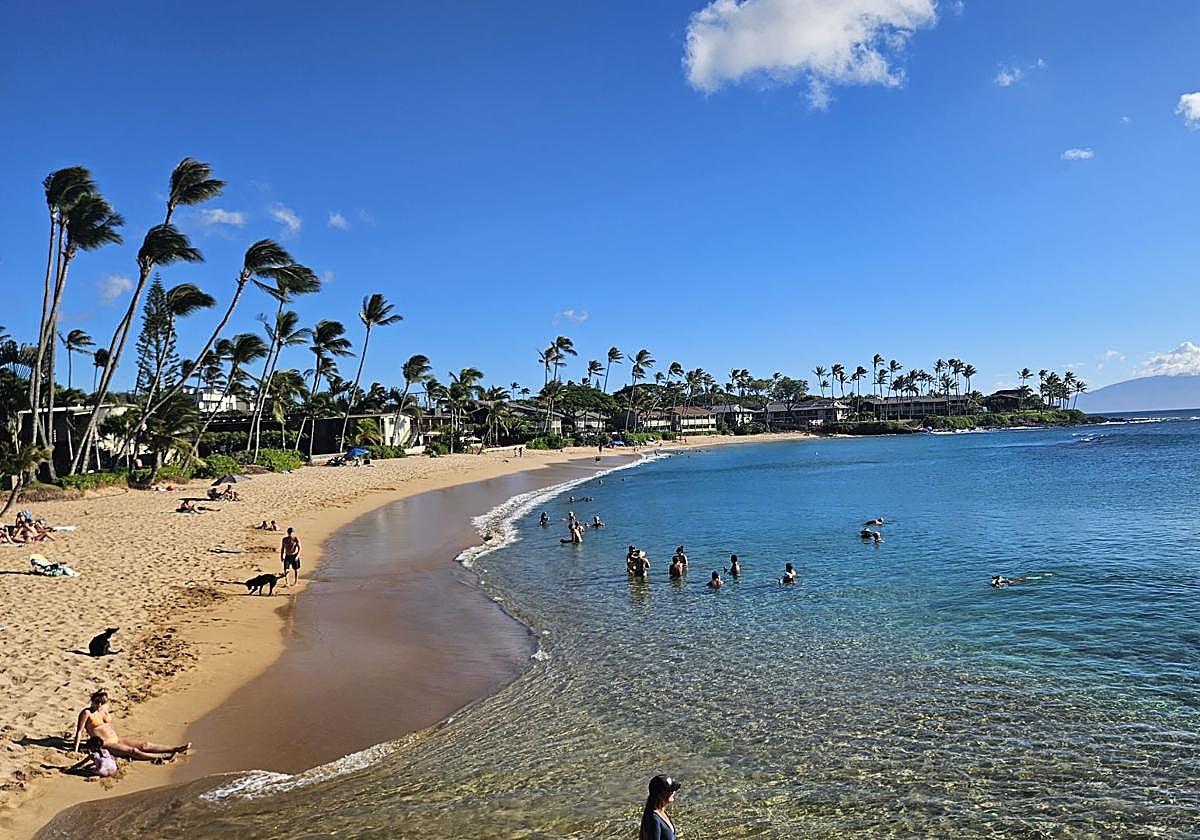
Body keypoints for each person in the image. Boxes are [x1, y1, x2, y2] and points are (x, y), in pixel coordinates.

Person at [73, 690, 189, 763]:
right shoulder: (86, 713)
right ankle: (162, 757)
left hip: (116, 739)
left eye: (101, 702)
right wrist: (75, 750)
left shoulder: (104, 709)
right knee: (133, 751)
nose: (98, 705)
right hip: (105, 744)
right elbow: (79, 731)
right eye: (96, 702)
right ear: (92, 701)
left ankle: (176, 749)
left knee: (145, 744)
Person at [639, 774, 681, 840]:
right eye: (671, 791)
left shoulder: (661, 811)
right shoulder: (654, 820)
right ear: (661, 795)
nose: (674, 792)